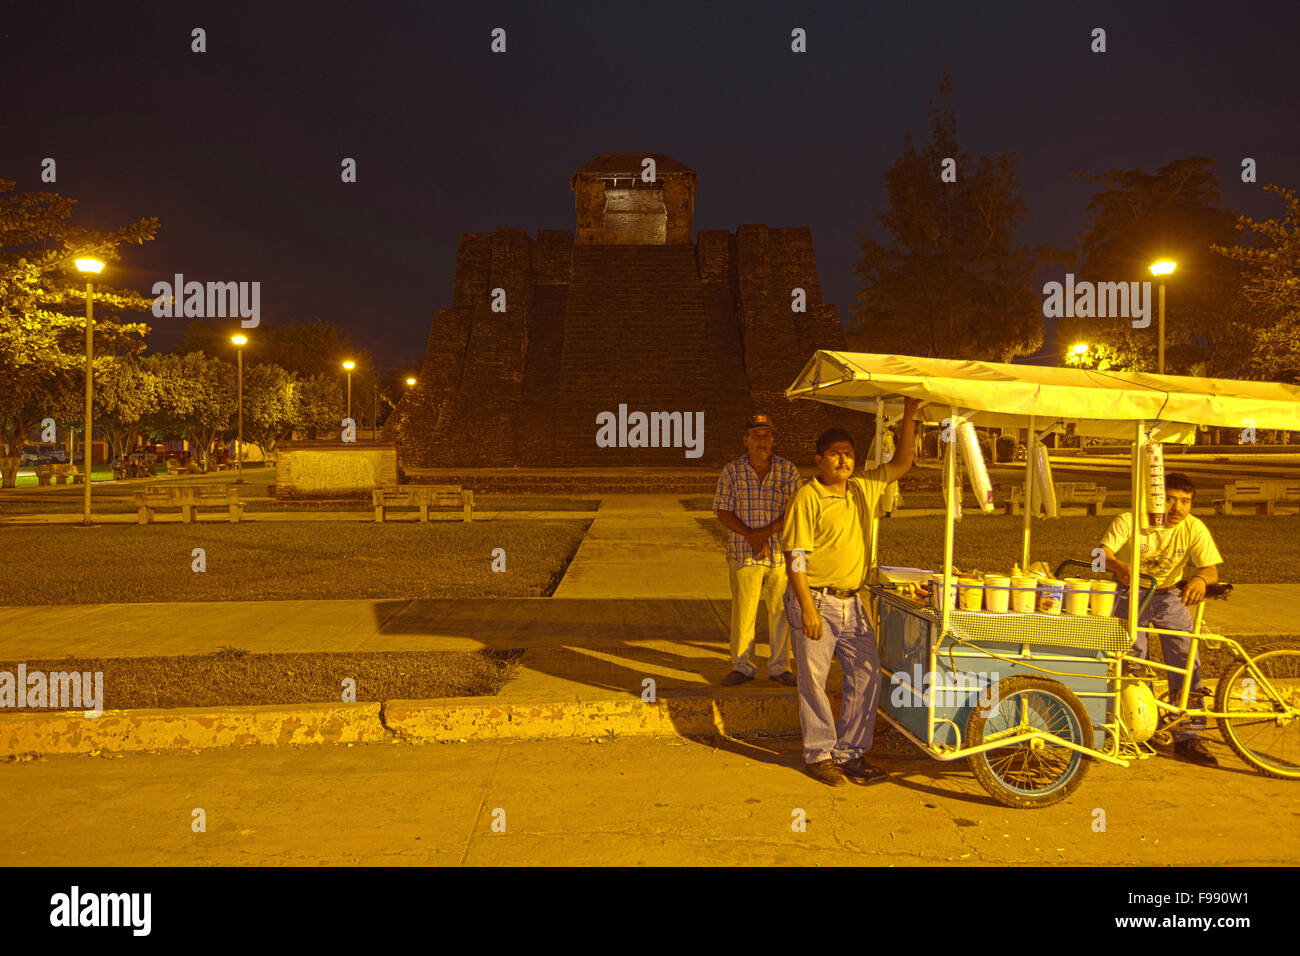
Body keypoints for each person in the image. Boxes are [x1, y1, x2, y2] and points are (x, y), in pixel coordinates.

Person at [781, 398, 923, 786]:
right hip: (815, 599)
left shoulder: (863, 489)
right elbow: (795, 558)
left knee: (867, 674)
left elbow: (902, 463)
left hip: (852, 602)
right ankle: (819, 753)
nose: (843, 461)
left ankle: (850, 752)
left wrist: (909, 414)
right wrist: (807, 608)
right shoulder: (807, 497)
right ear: (819, 460)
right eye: (835, 455)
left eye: (848, 454)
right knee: (814, 680)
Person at [1098, 472, 1223, 766]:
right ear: (1154, 497)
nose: (1177, 508)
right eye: (1169, 499)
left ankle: (1188, 735)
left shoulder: (1193, 528)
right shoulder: (1129, 520)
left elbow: (1211, 569)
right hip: (1130, 594)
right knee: (1130, 658)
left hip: (1170, 596)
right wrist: (1116, 565)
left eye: (1185, 501)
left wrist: (1201, 580)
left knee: (1185, 659)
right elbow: (1098, 556)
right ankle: (1133, 727)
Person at [713, 414, 803, 686]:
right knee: (744, 611)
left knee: (780, 611)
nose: (762, 441)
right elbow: (722, 510)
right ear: (746, 440)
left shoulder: (788, 470)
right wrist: (751, 536)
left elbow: (795, 511)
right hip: (744, 552)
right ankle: (742, 665)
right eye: (757, 435)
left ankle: (779, 666)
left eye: (767, 435)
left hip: (778, 553)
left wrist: (764, 534)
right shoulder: (732, 471)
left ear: (773, 440)